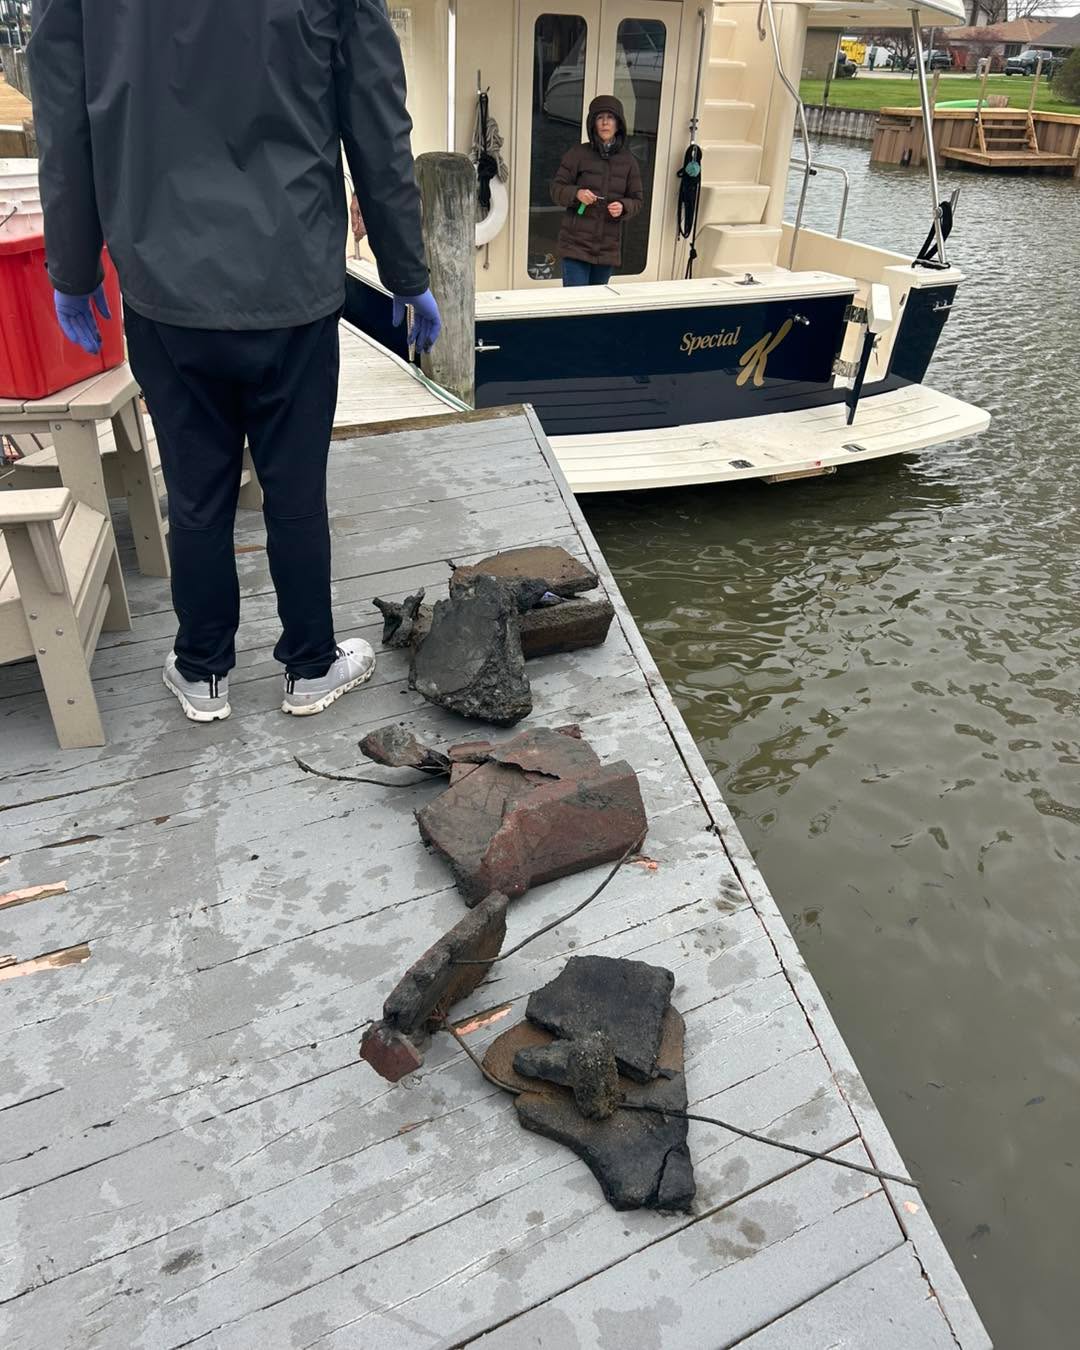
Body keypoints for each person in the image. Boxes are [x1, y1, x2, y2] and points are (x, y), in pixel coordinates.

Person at [28, 0, 442, 724]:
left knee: (195, 492)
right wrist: (406, 270)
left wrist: (72, 267)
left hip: (164, 284)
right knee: (294, 490)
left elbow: (63, 119)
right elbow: (377, 120)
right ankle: (310, 665)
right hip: (293, 282)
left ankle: (202, 668)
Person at [550, 95, 643, 287]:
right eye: (600, 118)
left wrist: (623, 207)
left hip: (607, 250)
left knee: (597, 305)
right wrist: (576, 194)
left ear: (618, 124)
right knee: (576, 305)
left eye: (610, 117)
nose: (605, 122)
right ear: (593, 124)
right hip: (575, 246)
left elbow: (637, 200)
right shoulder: (577, 154)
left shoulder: (629, 161)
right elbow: (556, 189)